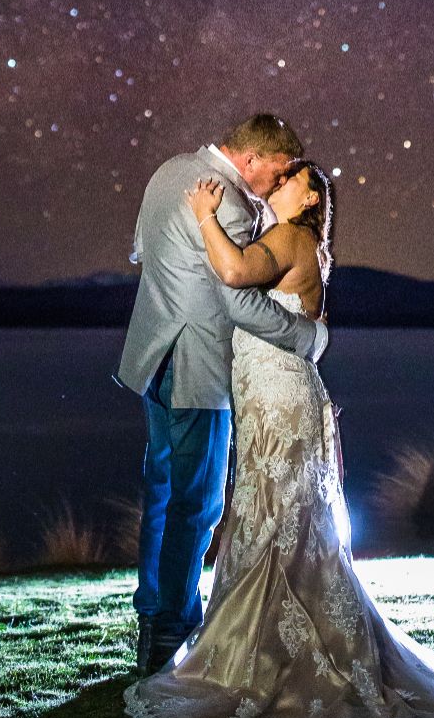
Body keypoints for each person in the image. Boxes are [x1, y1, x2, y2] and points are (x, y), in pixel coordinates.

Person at [122, 163, 434, 718]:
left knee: (282, 521)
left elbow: (233, 276)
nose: (274, 183)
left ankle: (278, 659)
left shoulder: (289, 237)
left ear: (309, 196)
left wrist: (204, 215)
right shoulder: (296, 241)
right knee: (279, 520)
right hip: (271, 394)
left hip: (280, 399)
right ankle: (262, 647)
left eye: (287, 179)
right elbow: (299, 316)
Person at [115, 114, 329, 677]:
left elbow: (140, 249)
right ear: (254, 159)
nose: (276, 187)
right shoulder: (229, 202)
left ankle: (151, 618)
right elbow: (238, 302)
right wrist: (305, 337)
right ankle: (169, 633)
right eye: (278, 173)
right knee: (198, 503)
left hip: (151, 359)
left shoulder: (169, 172)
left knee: (161, 493)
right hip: (196, 369)